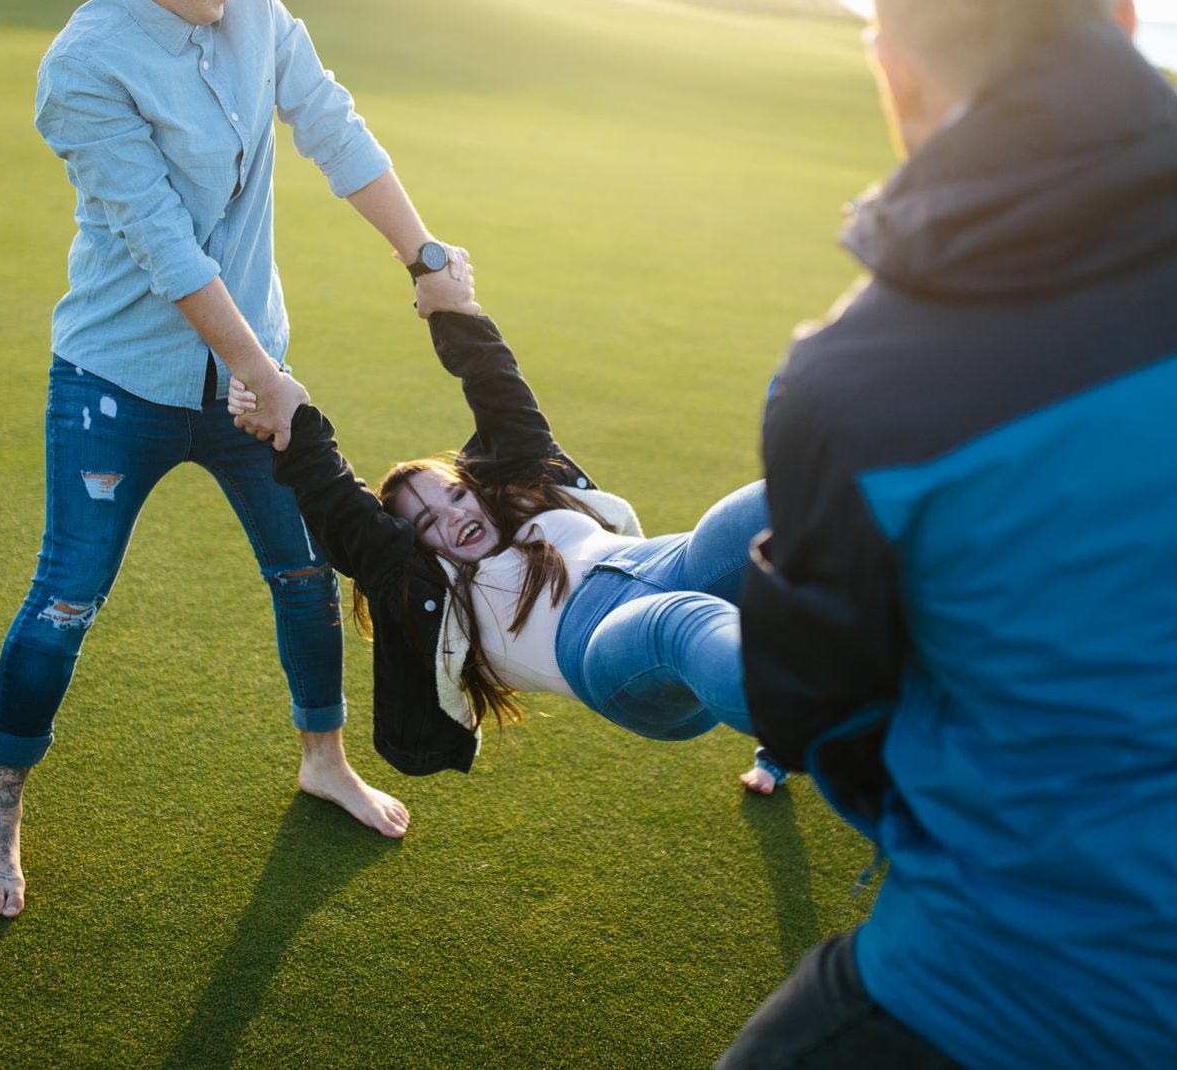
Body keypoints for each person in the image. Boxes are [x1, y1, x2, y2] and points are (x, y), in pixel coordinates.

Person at [725, 0, 1177, 1067]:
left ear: (889, 67)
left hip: (1023, 997)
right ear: (1126, 21)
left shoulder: (850, 381)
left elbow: (819, 721)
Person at [0, 0, 477, 919]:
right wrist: (264, 377)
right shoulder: (82, 65)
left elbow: (328, 121)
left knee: (303, 575)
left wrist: (422, 254)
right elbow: (164, 244)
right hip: (116, 384)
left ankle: (322, 762)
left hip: (254, 376)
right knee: (65, 598)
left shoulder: (249, 5)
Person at [229, 305, 790, 791]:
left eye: (454, 496)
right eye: (426, 523)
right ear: (416, 548)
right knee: (680, 620)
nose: (453, 518)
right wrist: (291, 420)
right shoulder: (437, 596)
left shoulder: (528, 501)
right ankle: (842, 716)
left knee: (782, 503)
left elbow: (502, 397)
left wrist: (453, 309)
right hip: (612, 648)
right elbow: (340, 505)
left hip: (672, 562)